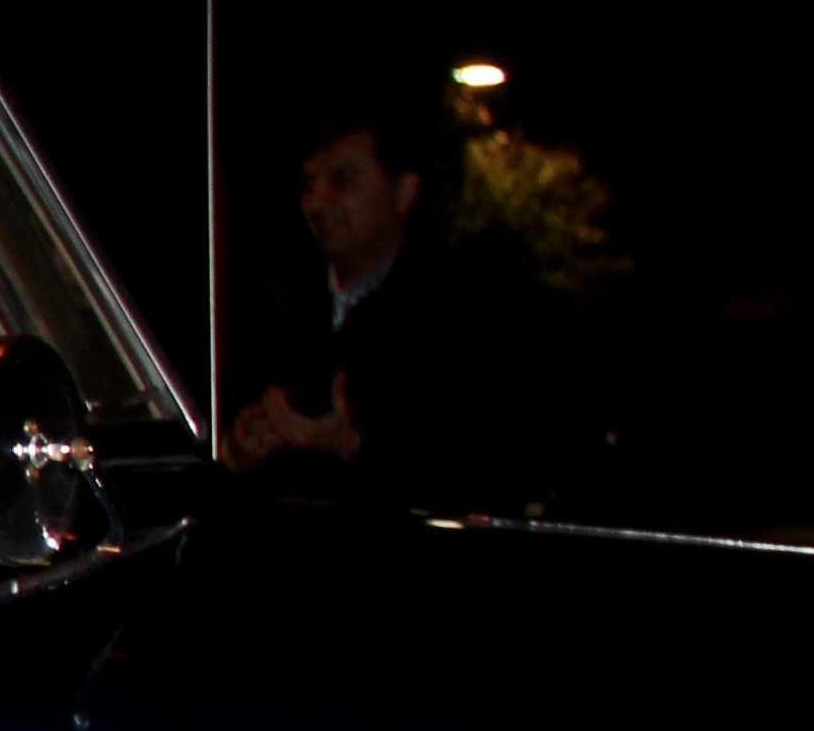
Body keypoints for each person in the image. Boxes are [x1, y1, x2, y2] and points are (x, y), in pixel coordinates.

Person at [222, 103, 563, 512]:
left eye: (342, 181)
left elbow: (489, 470)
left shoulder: (462, 316)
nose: (317, 203)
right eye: (309, 184)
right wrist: (238, 451)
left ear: (404, 192)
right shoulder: (269, 302)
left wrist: (351, 445)